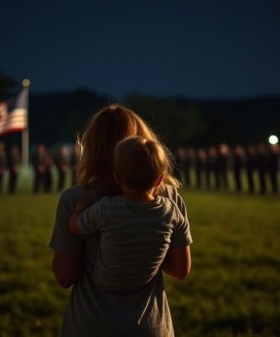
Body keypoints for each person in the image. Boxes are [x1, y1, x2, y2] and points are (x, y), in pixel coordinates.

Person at [49, 104, 192, 337]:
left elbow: (64, 277)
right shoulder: (167, 198)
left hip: (90, 324)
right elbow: (180, 269)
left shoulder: (75, 200)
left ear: (92, 147)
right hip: (150, 326)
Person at [67, 135, 191, 303]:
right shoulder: (171, 211)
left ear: (116, 177)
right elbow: (181, 271)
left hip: (105, 284)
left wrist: (78, 211)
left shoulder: (106, 209)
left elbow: (76, 227)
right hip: (144, 284)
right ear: (160, 180)